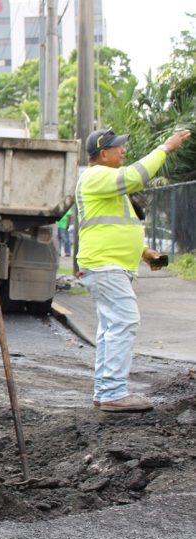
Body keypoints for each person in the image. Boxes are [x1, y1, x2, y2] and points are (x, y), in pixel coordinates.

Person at [76, 126, 191, 413]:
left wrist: (144, 252)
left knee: (111, 328)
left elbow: (116, 224)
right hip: (105, 266)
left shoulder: (107, 182)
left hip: (110, 266)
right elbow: (136, 176)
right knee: (124, 322)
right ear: (103, 153)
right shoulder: (96, 175)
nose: (124, 150)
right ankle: (113, 393)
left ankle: (106, 391)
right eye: (118, 147)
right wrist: (165, 147)